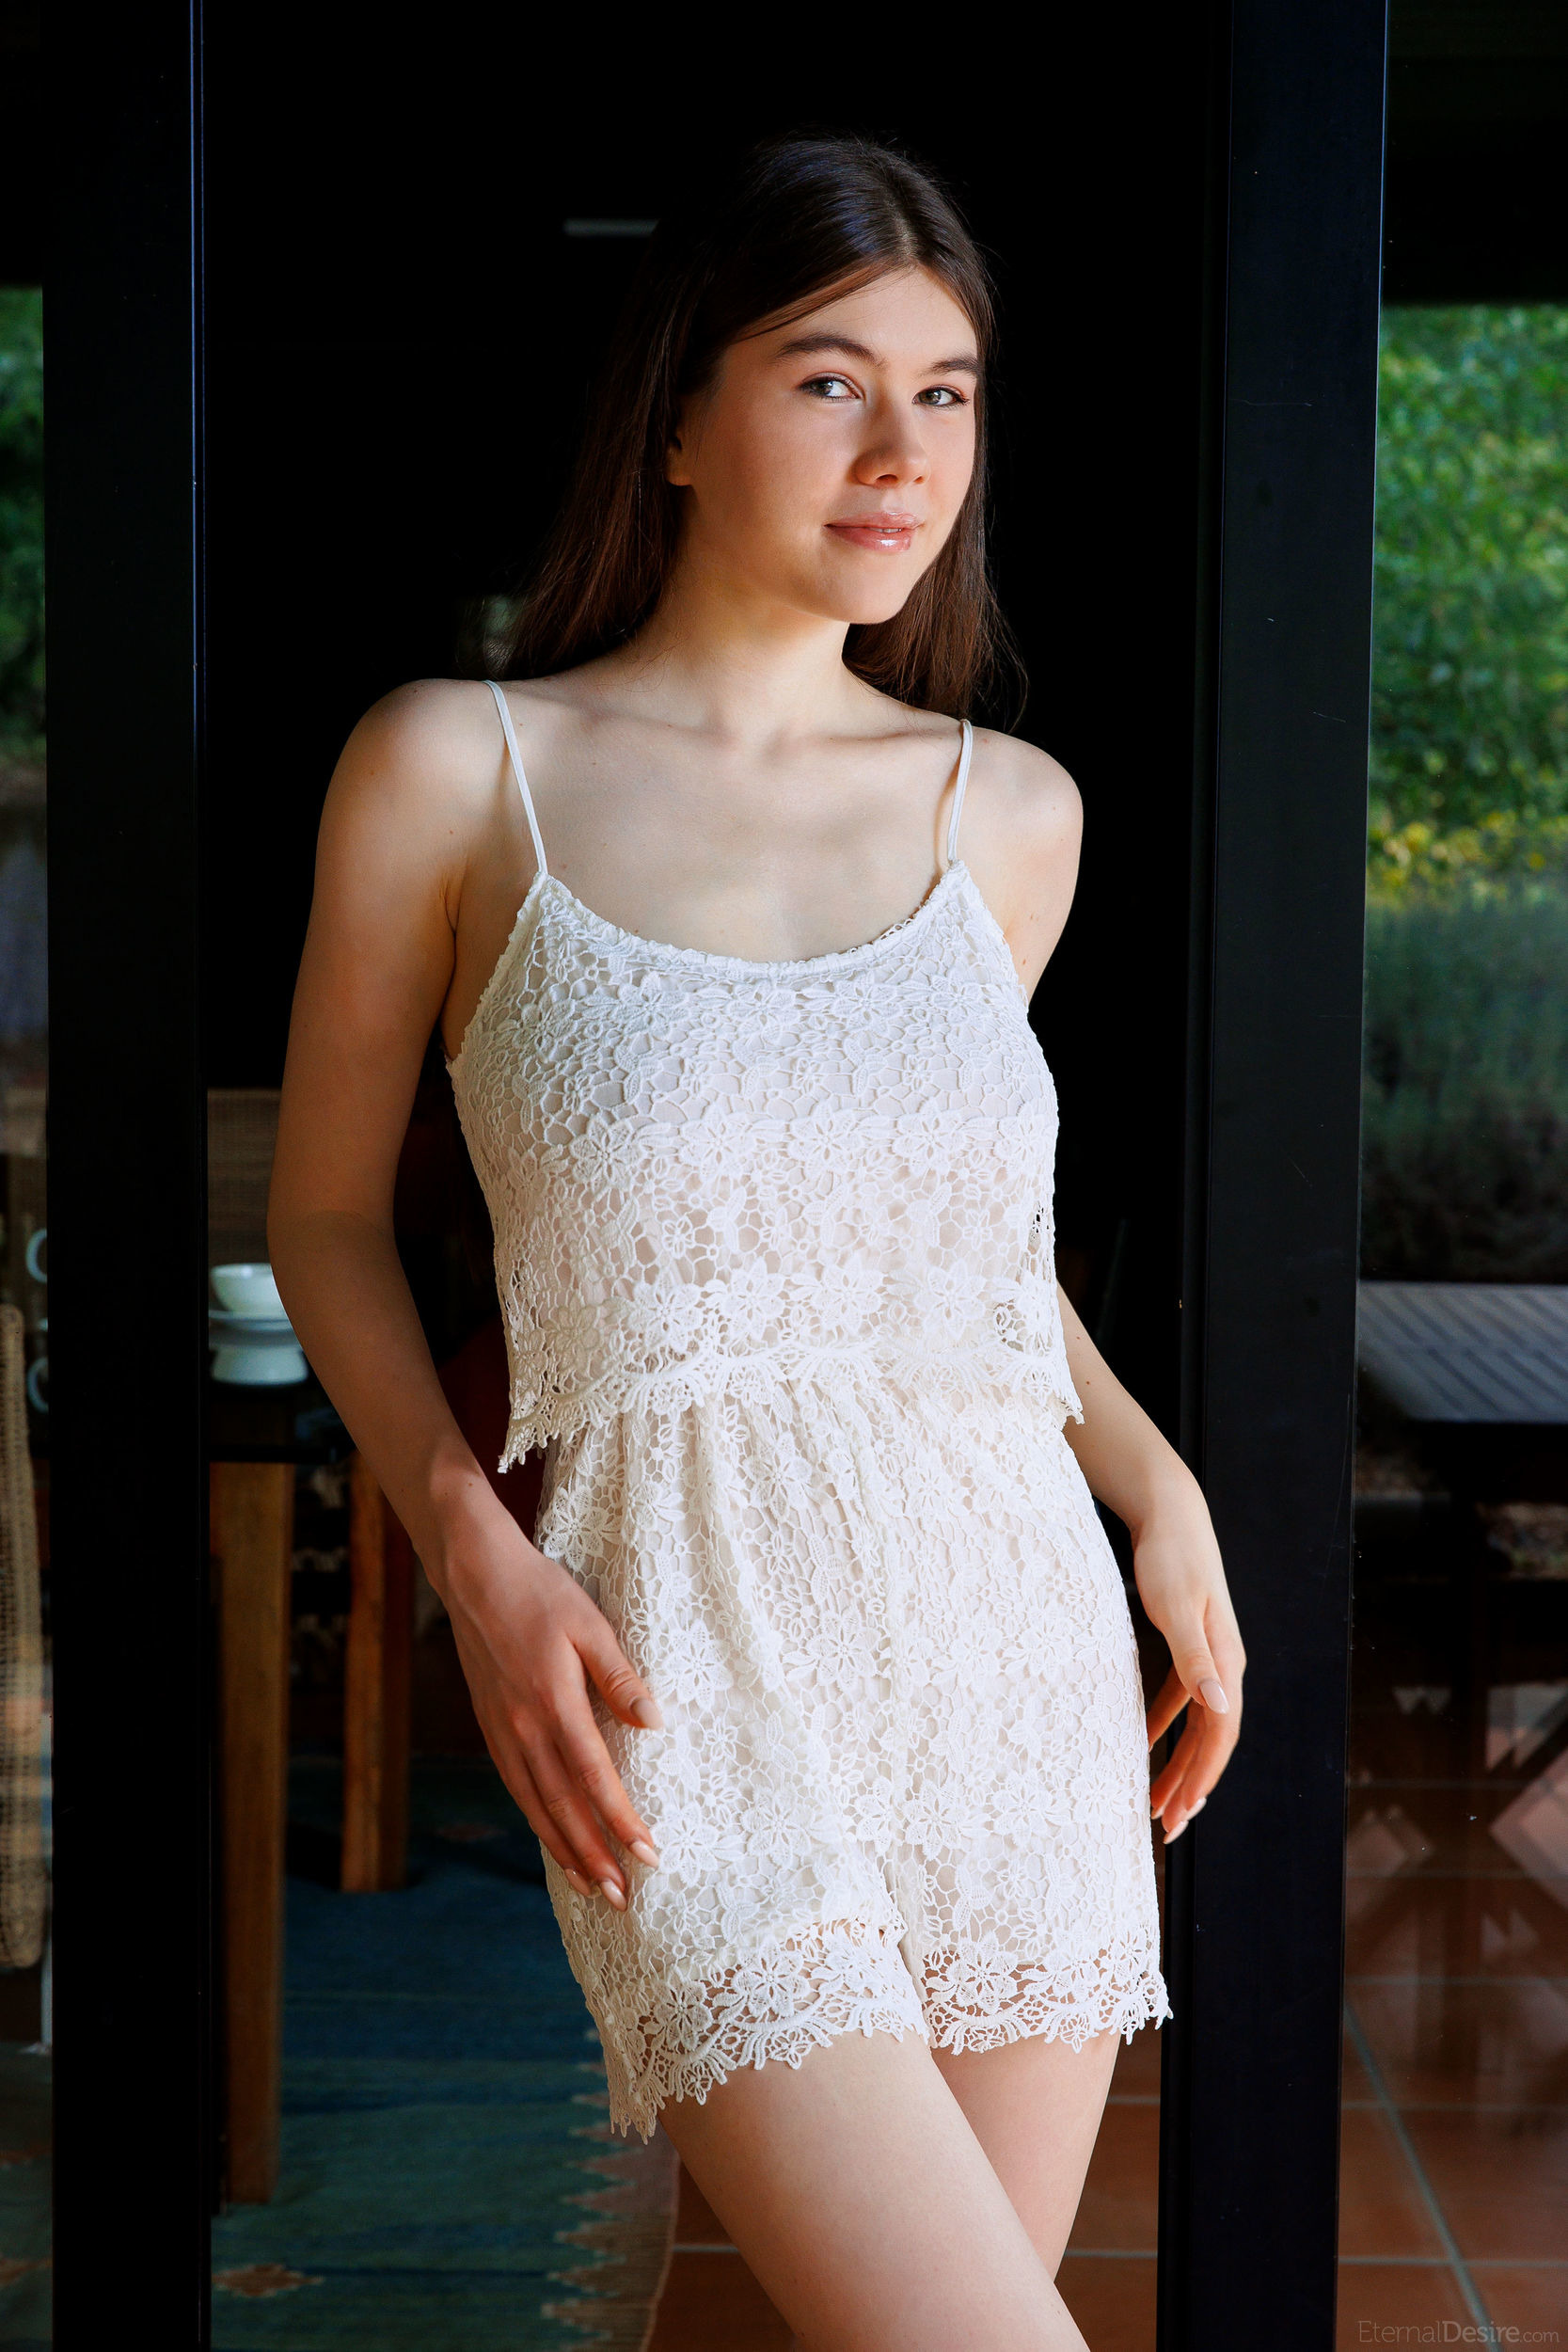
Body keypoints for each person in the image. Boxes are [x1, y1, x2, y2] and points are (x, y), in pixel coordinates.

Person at [268, 132, 1244, 2352]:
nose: (905, 453)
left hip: (1007, 1651)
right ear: (681, 419)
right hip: (682, 1659)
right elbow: (324, 1218)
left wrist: (1157, 1479)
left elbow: (960, 1265)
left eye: (948, 391)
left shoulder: (1010, 809)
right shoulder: (456, 769)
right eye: (830, 381)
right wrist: (476, 1549)